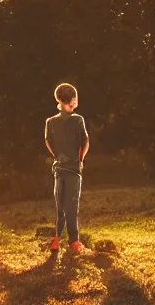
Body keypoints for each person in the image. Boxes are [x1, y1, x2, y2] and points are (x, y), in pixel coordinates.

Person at [44, 82, 92, 255]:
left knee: (60, 205)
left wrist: (57, 155)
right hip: (73, 169)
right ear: (72, 100)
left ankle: (57, 239)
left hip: (58, 168)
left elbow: (48, 142)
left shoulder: (50, 122)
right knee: (72, 205)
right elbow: (85, 141)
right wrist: (80, 159)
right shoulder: (78, 119)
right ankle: (74, 241)